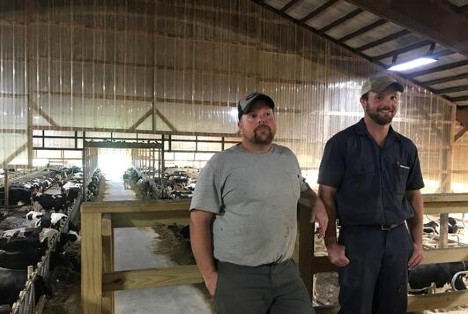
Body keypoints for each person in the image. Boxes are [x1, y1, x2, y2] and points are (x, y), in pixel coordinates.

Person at [189, 92, 328, 314]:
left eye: (267, 114)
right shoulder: (221, 164)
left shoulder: (287, 157)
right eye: (252, 116)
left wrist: (316, 201)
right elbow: (198, 220)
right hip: (239, 276)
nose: (261, 120)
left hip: (285, 272)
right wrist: (209, 275)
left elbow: (301, 188)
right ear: (240, 125)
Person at [317, 75, 425, 313]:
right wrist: (331, 243)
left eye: (393, 98)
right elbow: (327, 196)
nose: (387, 104)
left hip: (398, 239)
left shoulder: (406, 147)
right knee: (357, 307)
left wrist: (417, 241)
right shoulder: (341, 144)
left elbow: (414, 196)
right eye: (379, 98)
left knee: (394, 307)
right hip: (359, 240)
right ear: (363, 102)